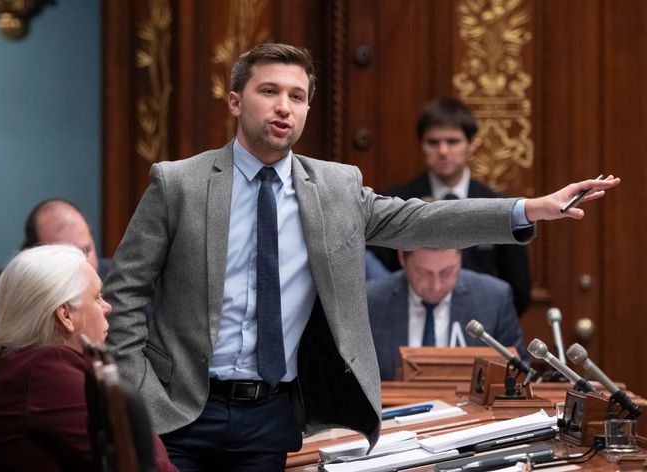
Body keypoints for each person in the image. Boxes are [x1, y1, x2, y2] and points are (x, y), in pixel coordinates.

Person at [103, 42, 619, 471]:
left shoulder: (335, 187)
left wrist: (528, 209)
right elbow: (124, 293)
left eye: (297, 96)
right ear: (236, 101)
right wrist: (139, 393)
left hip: (271, 415)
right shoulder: (179, 183)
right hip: (178, 410)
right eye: (270, 92)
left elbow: (423, 220)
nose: (284, 106)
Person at [0, 244, 177, 471]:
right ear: (66, 315)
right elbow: (140, 462)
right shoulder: (45, 372)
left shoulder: (30, 364)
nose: (108, 307)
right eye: (97, 297)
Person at [368, 97, 532, 315]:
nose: (443, 151)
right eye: (433, 142)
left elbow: (518, 289)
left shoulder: (497, 204)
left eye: (453, 141)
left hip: (477, 325)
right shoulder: (396, 200)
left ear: (472, 144)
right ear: (422, 145)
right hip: (406, 321)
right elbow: (374, 274)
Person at [367, 248, 527, 380]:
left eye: (447, 272)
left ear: (460, 258)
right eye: (424, 272)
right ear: (402, 258)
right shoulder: (371, 301)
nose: (436, 286)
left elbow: (519, 373)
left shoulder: (494, 298)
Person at [0, 198, 111, 325]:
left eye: (86, 251)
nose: (82, 263)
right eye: (65, 254)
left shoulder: (119, 280)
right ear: (34, 256)